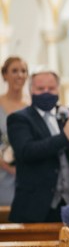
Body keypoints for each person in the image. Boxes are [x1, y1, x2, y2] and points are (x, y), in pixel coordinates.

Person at [7, 70, 69, 223]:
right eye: (41, 89)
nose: (46, 93)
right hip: (37, 208)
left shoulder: (67, 113)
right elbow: (26, 152)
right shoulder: (19, 119)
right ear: (31, 90)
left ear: (58, 90)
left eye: (51, 88)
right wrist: (64, 137)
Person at [0, 56, 29, 206]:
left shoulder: (31, 105)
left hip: (29, 173)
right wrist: (7, 165)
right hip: (2, 174)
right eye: (15, 71)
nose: (20, 75)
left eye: (23, 71)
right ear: (5, 75)